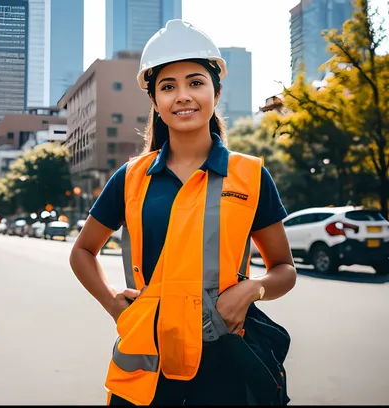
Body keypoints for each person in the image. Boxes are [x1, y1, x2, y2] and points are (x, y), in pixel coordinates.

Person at [69, 20, 297, 406]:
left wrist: (249, 290)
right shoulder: (131, 178)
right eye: (168, 87)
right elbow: (82, 252)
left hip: (225, 361)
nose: (183, 97)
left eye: (195, 82)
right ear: (155, 101)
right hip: (148, 364)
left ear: (216, 91)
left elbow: (284, 270)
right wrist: (114, 305)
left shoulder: (250, 176)